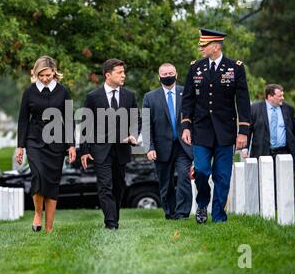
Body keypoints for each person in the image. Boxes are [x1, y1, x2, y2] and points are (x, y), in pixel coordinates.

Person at [181, 28, 251, 224]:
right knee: (202, 170)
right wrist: (185, 126)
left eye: (204, 45)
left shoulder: (235, 68)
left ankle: (219, 216)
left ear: (216, 47)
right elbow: (188, 99)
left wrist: (243, 131)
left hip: (226, 131)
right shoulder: (195, 67)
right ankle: (202, 203)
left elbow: (243, 101)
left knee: (222, 175)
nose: (200, 48)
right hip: (201, 130)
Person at [16, 56, 76, 232]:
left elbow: (69, 119)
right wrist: (20, 146)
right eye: (41, 75)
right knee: (38, 175)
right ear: (36, 74)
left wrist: (71, 145)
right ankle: (37, 213)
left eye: (48, 75)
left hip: (56, 144)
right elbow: (22, 120)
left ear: (54, 73)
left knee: (52, 182)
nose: (44, 78)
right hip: (34, 141)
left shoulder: (63, 92)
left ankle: (49, 227)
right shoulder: (29, 92)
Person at [80, 58, 139, 230]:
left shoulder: (129, 96)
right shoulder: (93, 97)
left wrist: (133, 135)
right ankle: (111, 223)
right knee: (105, 186)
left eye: (123, 72)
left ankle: (114, 218)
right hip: (100, 150)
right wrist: (84, 150)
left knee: (118, 187)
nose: (123, 75)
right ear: (108, 75)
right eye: (119, 72)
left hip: (122, 149)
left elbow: (136, 120)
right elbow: (86, 125)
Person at [143, 63, 193, 220]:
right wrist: (149, 147)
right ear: (159, 77)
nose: (167, 76)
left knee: (184, 176)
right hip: (160, 148)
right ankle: (170, 213)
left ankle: (182, 213)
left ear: (176, 74)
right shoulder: (149, 97)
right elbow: (146, 124)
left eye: (170, 73)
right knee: (166, 183)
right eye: (164, 74)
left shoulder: (186, 93)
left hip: (184, 146)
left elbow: (195, 118)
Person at [242, 84, 295, 169]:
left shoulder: (288, 109)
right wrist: (245, 148)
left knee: (284, 180)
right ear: (270, 96)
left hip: (284, 152)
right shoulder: (255, 109)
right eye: (280, 96)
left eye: (283, 95)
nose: (283, 98)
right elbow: (248, 130)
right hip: (262, 153)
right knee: (266, 180)